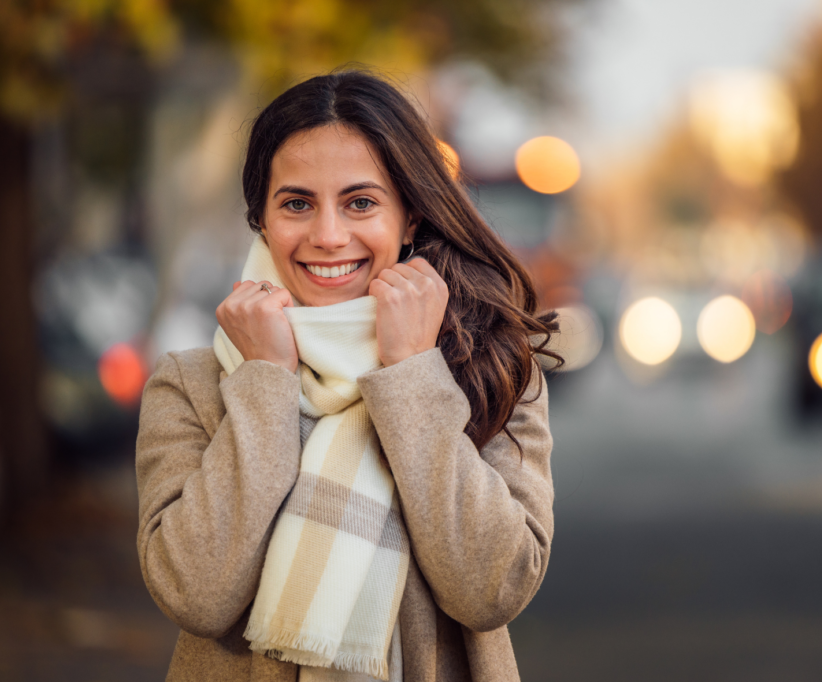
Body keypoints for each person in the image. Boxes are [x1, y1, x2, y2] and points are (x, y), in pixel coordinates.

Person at [135, 69, 560, 682]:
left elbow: (491, 589)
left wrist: (414, 373)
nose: (328, 236)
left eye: (361, 202)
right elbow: (195, 595)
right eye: (297, 204)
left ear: (410, 217)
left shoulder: (492, 368)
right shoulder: (194, 386)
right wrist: (264, 384)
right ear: (261, 219)